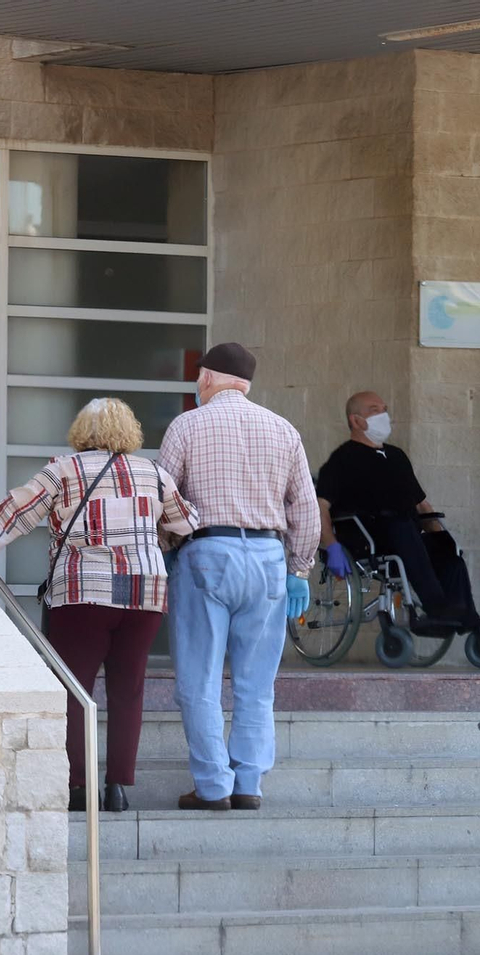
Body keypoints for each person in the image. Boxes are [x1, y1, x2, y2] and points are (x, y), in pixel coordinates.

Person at [0, 398, 198, 814]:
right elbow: (185, 523)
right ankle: (117, 788)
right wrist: (154, 537)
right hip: (143, 592)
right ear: (129, 431)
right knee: (128, 689)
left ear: (81, 431)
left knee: (76, 689)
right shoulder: (153, 473)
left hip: (82, 591)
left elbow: (18, 511)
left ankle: (78, 786)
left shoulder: (63, 469)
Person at [157, 342, 320, 812]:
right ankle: (249, 783)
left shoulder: (187, 424)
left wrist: (168, 547)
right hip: (269, 557)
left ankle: (213, 787)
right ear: (246, 384)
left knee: (199, 678)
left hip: (207, 553)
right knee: (256, 682)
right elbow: (304, 507)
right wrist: (300, 568)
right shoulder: (283, 428)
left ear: (207, 378)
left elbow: (162, 498)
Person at [315, 391, 475, 631]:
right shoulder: (342, 459)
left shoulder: (397, 457)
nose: (384, 415)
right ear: (356, 420)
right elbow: (321, 506)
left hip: (405, 532)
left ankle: (466, 618)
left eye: (384, 409)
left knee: (448, 551)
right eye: (374, 410)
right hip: (366, 537)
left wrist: (439, 536)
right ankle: (437, 609)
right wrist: (331, 545)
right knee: (401, 527)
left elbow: (422, 504)